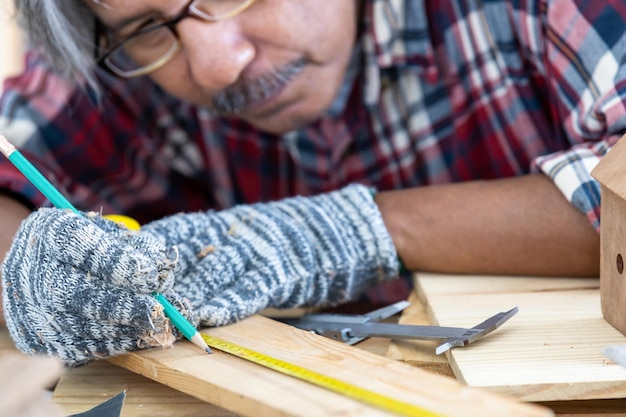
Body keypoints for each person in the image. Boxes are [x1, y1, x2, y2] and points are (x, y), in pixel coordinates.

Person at [0, 0, 622, 366]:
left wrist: (349, 232)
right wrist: (25, 268)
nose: (217, 65)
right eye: (147, 28)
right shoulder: (127, 61)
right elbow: (12, 172)